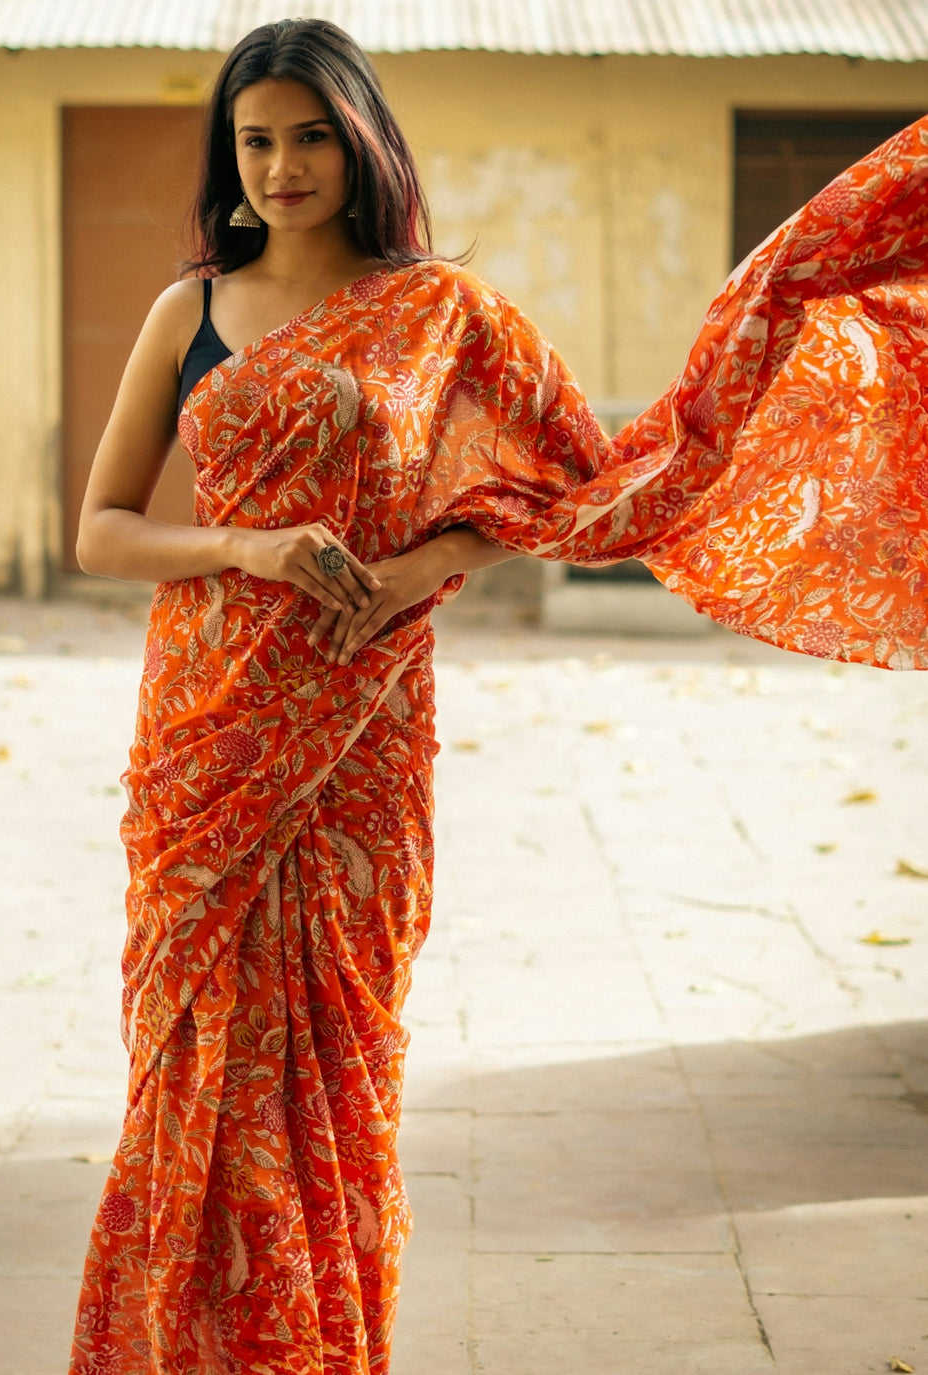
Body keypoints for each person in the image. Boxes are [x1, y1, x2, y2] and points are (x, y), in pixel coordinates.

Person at [69, 18, 928, 1375]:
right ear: (229, 157)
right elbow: (102, 528)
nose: (283, 167)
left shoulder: (447, 315)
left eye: (309, 137)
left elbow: (564, 493)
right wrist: (244, 545)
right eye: (256, 140)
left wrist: (420, 569)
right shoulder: (192, 309)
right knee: (193, 1064)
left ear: (358, 145)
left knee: (340, 1061)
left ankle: (314, 1348)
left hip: (362, 731)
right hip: (209, 730)